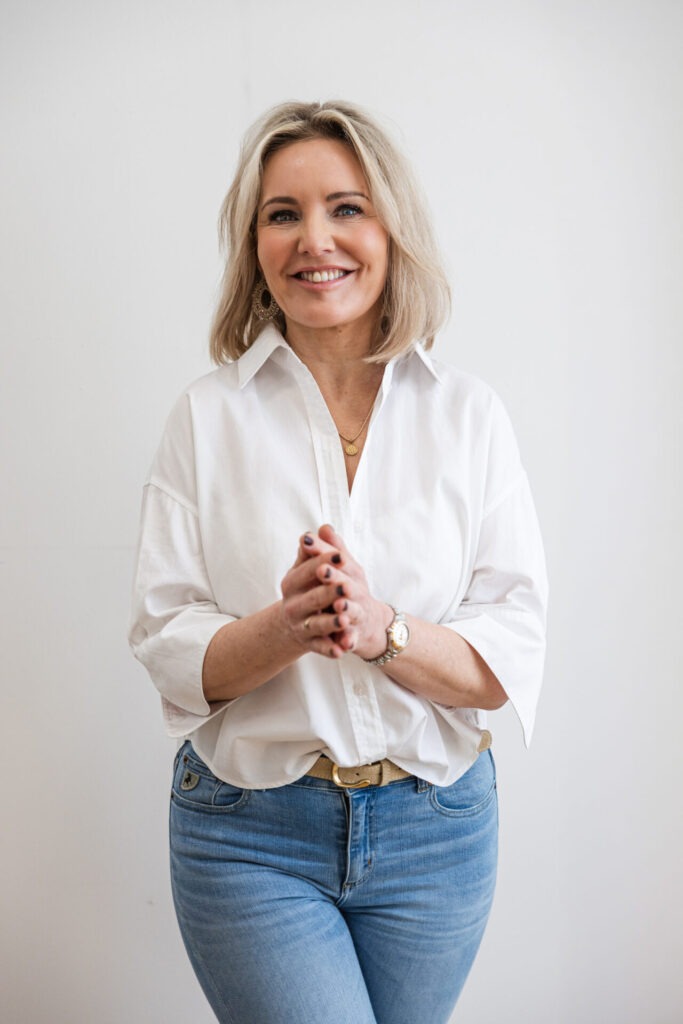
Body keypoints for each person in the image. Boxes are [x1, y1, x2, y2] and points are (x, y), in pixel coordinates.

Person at [129, 100, 547, 1024]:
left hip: (437, 834)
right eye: (283, 214)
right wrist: (288, 628)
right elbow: (166, 644)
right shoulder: (206, 418)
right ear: (255, 246)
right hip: (250, 836)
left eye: (346, 207)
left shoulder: (468, 417)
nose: (314, 239)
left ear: (392, 228)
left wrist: (379, 628)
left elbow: (506, 659)